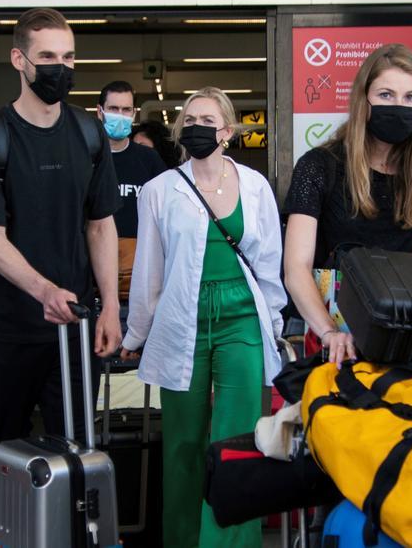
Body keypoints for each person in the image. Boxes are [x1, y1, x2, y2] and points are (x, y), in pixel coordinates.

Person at [0, 8, 122, 542]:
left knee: (76, 456)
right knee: (0, 451)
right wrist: (44, 289)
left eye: (68, 56)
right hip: (5, 329)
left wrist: (111, 310)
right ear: (19, 60)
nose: (60, 67)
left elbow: (100, 227)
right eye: (47, 56)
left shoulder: (88, 134)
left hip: (72, 336)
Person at [121, 87, 286, 548]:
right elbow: (149, 270)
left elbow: (269, 259)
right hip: (182, 320)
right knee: (182, 445)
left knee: (237, 440)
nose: (196, 126)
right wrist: (136, 333)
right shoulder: (159, 190)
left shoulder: (255, 186)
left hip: (241, 319)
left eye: (207, 119)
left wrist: (273, 322)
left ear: (227, 131)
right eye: (189, 118)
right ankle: (182, 539)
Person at [283, 43, 412, 365]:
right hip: (328, 332)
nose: (399, 106)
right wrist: (329, 331)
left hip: (400, 332)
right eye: (386, 95)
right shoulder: (319, 166)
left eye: (410, 97)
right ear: (364, 100)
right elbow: (296, 269)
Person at [97, 81, 167, 312]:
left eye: (126, 110)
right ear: (100, 112)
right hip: (94, 279)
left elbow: (166, 214)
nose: (120, 115)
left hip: (140, 281)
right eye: (114, 109)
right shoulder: (85, 159)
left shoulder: (149, 160)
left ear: (134, 113)